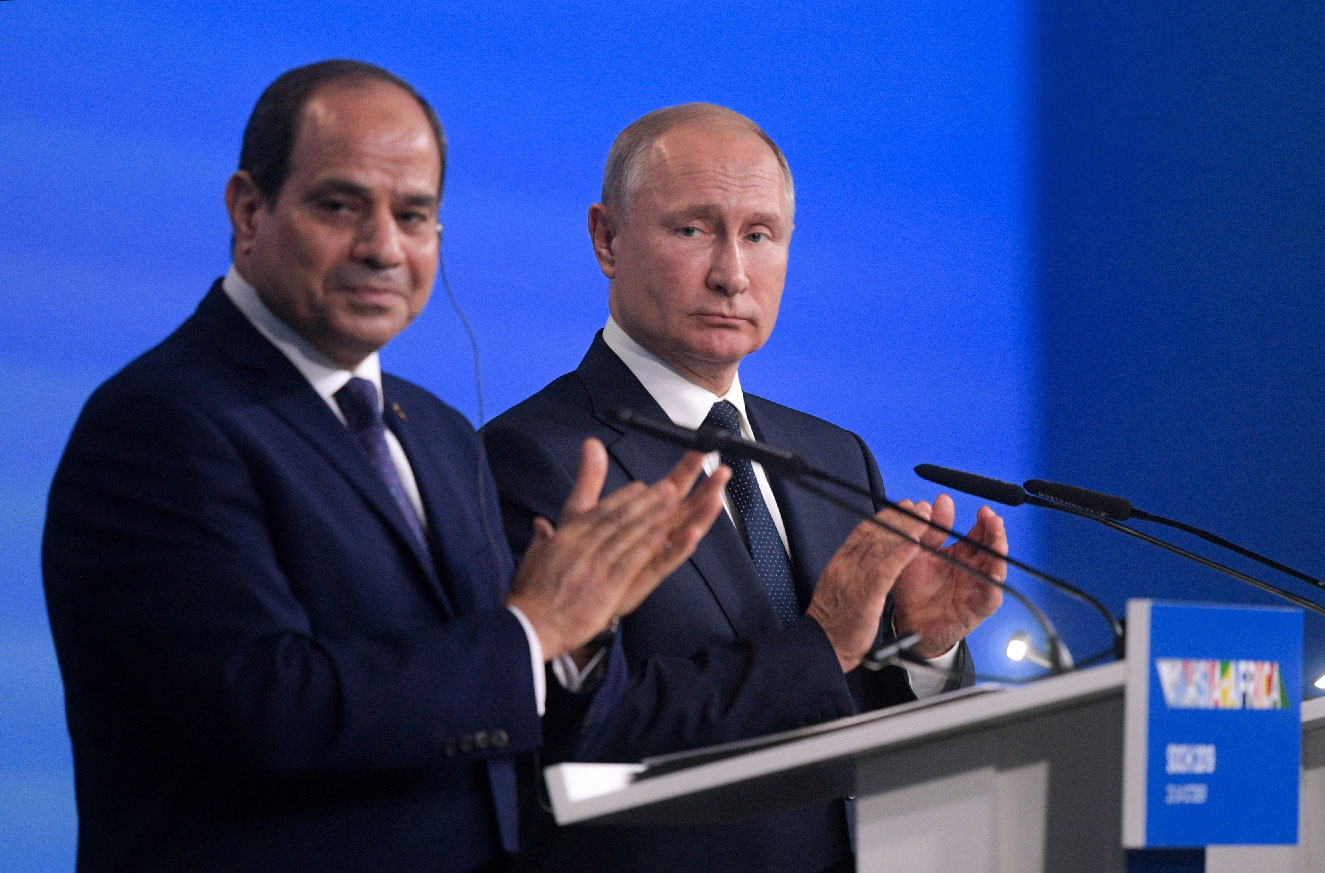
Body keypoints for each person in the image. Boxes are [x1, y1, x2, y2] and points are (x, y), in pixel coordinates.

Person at [41, 62, 729, 873]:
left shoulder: (436, 431)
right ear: (249, 210)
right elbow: (267, 704)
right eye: (340, 205)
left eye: (414, 215)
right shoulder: (161, 423)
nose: (382, 247)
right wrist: (529, 630)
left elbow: (506, 705)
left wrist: (575, 641)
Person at [481, 103, 1007, 873]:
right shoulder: (536, 457)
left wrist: (927, 648)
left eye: (759, 235)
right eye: (693, 229)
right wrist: (819, 639)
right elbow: (582, 731)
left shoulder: (833, 454)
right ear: (606, 237)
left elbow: (850, 718)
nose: (731, 272)